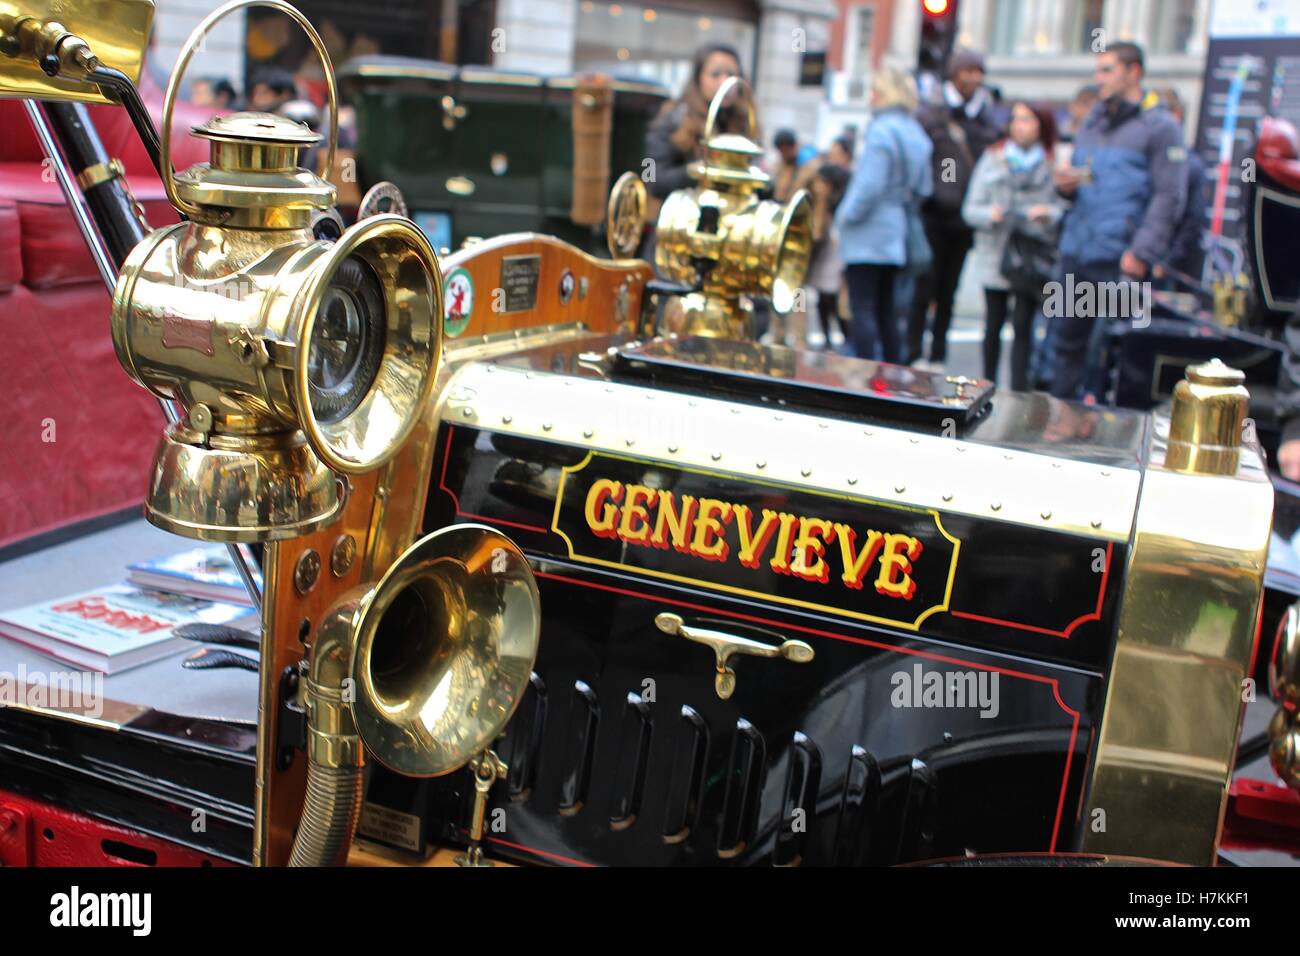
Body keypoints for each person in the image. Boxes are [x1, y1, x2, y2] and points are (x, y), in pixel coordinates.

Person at [1049, 42, 1187, 401]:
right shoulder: (1093, 119)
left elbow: (1170, 195)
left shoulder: (1159, 126)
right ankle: (1058, 429)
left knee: (1108, 353)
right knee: (1063, 344)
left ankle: (1096, 441)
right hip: (1077, 249)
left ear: (1134, 72)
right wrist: (1066, 186)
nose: (1100, 78)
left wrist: (1142, 250)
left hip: (1118, 257)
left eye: (1108, 70)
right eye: (1098, 70)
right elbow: (1083, 180)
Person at [907, 48, 1001, 372]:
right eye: (968, 71)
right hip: (934, 214)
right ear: (954, 73)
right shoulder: (932, 114)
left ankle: (938, 354)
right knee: (924, 287)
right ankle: (913, 351)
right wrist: (929, 195)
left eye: (978, 72)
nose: (973, 78)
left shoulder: (985, 119)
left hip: (964, 219)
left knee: (949, 290)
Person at [962, 102, 1064, 390]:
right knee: (992, 324)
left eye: (1028, 120)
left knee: (1023, 327)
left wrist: (1047, 215)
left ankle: (1019, 392)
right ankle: (986, 386)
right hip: (996, 253)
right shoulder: (993, 159)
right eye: (1016, 120)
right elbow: (970, 208)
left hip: (1031, 258)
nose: (1020, 126)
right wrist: (990, 215)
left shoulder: (1051, 163)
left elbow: (1062, 209)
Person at [834, 67, 933, 364]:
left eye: (874, 91)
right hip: (896, 229)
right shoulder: (916, 133)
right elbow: (924, 187)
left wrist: (845, 216)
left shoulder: (881, 131)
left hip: (869, 231)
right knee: (887, 309)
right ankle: (893, 373)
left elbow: (869, 186)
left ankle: (867, 374)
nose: (870, 97)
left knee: (862, 306)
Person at [644, 44, 752, 204]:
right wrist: (699, 172)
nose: (724, 81)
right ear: (698, 78)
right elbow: (652, 179)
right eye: (715, 74)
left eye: (731, 74)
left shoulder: (744, 121)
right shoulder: (673, 118)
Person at [1155, 87, 1209, 285]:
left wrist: (1168, 262)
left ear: (1175, 115)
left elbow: (1193, 220)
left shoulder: (1190, 165)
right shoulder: (1148, 160)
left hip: (1168, 270)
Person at [773, 129, 801, 202]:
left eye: (788, 148)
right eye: (783, 150)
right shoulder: (777, 169)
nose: (787, 153)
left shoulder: (805, 169)